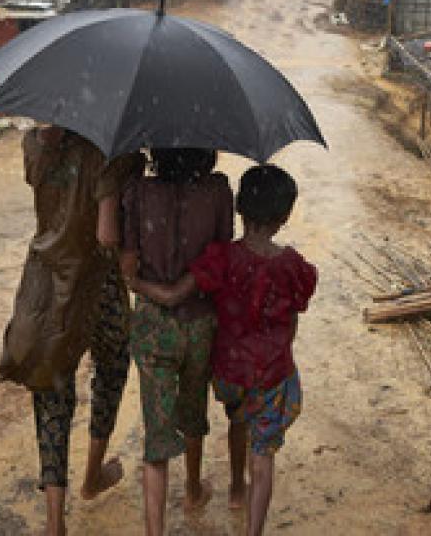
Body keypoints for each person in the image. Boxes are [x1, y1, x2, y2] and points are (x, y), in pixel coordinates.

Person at [130, 164, 316, 536]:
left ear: (239, 210)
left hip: (231, 373)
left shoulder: (222, 258)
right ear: (284, 217)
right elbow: (294, 315)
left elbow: (173, 294)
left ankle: (233, 483)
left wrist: (135, 283)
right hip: (273, 372)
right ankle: (243, 503)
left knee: (237, 420)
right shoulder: (295, 267)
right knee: (262, 455)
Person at [0, 125, 145, 536]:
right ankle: (93, 474)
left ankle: (54, 521)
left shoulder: (33, 145)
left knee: (50, 393)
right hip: (97, 287)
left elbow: (45, 177)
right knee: (112, 368)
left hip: (45, 287)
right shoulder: (111, 151)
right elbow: (107, 235)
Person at [120, 148, 234, 536]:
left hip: (153, 324)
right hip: (200, 320)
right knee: (193, 406)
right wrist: (186, 287)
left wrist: (151, 289)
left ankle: (155, 530)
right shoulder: (218, 191)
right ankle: (192, 488)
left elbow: (127, 264)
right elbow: (223, 256)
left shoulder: (137, 192)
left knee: (157, 427)